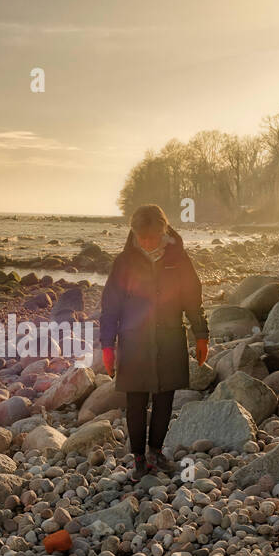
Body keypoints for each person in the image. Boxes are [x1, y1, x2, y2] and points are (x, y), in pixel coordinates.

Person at [99, 204, 208, 479]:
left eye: (153, 237)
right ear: (134, 233)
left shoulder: (179, 258)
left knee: (164, 399)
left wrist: (201, 334)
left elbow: (192, 299)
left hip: (170, 337)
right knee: (135, 401)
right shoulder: (124, 262)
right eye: (142, 238)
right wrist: (107, 346)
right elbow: (110, 306)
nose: (147, 243)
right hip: (134, 341)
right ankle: (138, 459)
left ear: (163, 231)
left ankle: (156, 452)